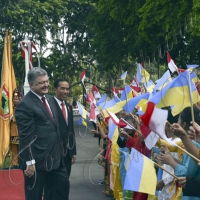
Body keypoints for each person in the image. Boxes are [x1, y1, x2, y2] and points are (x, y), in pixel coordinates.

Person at [15, 67, 69, 200]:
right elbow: (26, 136)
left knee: (61, 192)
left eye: (47, 81)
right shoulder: (25, 105)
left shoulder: (50, 99)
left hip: (56, 160)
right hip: (36, 163)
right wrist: (29, 161)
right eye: (41, 83)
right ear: (31, 84)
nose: (46, 85)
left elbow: (58, 128)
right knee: (35, 196)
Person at [53, 78, 77, 177]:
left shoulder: (68, 107)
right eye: (62, 88)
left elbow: (71, 130)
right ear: (55, 89)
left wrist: (73, 151)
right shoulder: (49, 106)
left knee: (65, 182)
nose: (65, 92)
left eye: (67, 89)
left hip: (67, 153)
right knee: (54, 186)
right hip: (53, 153)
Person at [10, 88, 22, 168]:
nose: (15, 100)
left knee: (21, 149)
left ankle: (21, 163)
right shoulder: (10, 109)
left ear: (20, 98)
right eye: (14, 99)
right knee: (14, 149)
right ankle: (15, 164)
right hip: (13, 132)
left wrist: (14, 118)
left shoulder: (22, 108)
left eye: (17, 98)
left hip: (21, 132)